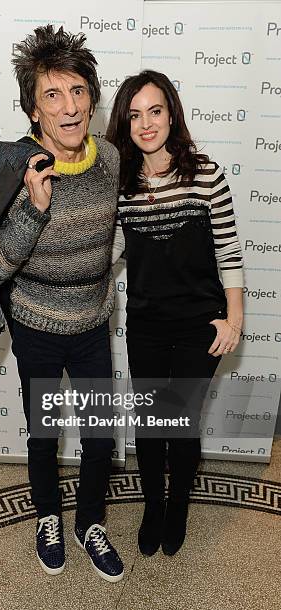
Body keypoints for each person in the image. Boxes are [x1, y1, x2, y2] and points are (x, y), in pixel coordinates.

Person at [0, 25, 124, 582]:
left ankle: (90, 522)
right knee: (44, 434)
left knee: (99, 436)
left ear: (92, 96)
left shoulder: (109, 160)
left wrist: (100, 272)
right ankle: (48, 518)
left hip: (92, 325)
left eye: (79, 91)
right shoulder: (17, 171)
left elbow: (117, 229)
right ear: (33, 112)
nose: (70, 108)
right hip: (36, 327)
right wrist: (34, 211)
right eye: (53, 96)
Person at [106, 70, 243, 557]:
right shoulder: (119, 185)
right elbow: (108, 251)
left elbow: (228, 252)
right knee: (149, 423)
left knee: (179, 421)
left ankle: (178, 504)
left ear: (172, 114)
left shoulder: (206, 174)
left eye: (155, 110)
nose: (146, 123)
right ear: (124, 123)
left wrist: (235, 319)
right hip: (145, 324)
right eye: (135, 114)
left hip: (198, 326)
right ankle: (152, 507)